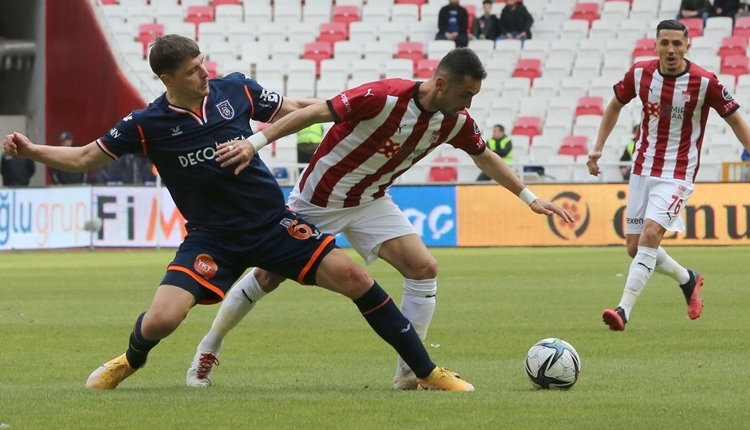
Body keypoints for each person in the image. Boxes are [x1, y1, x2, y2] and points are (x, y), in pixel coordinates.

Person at [2, 34, 475, 392]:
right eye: (191, 70)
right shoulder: (146, 124)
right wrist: (31, 151)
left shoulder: (235, 91)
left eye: (202, 63)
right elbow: (85, 157)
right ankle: (130, 360)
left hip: (274, 224)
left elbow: (294, 108)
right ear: (167, 79)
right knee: (164, 319)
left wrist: (359, 113)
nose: (203, 74)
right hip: (212, 238)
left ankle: (427, 372)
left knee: (357, 280)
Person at [186, 48, 573, 389]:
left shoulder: (455, 121)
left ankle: (411, 373)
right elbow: (315, 112)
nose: (468, 102)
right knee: (267, 278)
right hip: (318, 200)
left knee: (423, 267)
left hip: (371, 201)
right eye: (465, 93)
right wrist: (254, 143)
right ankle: (208, 347)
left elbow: (484, 156)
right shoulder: (383, 96)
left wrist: (529, 197)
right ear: (441, 83)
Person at [587, 20, 750, 331]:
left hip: (678, 172)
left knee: (650, 235)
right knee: (635, 248)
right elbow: (614, 106)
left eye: (677, 43)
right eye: (665, 43)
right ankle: (687, 278)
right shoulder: (640, 73)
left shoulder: (704, 82)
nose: (671, 49)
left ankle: (624, 310)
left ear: (687, 46)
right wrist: (597, 148)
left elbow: (735, 121)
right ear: (655, 46)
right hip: (642, 168)